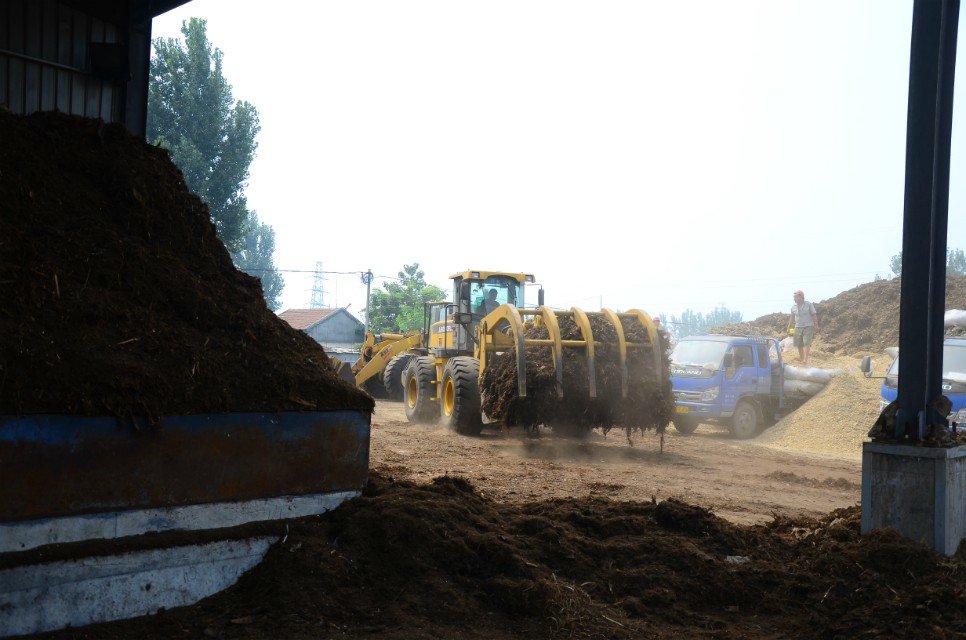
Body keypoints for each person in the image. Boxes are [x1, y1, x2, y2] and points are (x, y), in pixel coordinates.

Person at [786, 290, 819, 364]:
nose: (794, 299)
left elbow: (814, 315)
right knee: (799, 343)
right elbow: (792, 318)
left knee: (806, 342)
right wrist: (789, 327)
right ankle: (801, 358)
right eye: (794, 298)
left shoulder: (808, 304)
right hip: (798, 326)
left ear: (801, 297)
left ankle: (805, 359)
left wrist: (816, 325)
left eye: (795, 297)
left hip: (808, 326)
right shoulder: (793, 307)